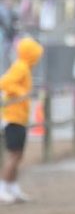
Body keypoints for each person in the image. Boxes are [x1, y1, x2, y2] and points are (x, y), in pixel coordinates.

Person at [0, 36, 44, 204]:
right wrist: (20, 93)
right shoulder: (20, 67)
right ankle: (3, 187)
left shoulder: (25, 68)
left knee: (18, 155)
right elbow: (3, 83)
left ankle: (13, 186)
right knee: (13, 155)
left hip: (20, 118)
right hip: (13, 117)